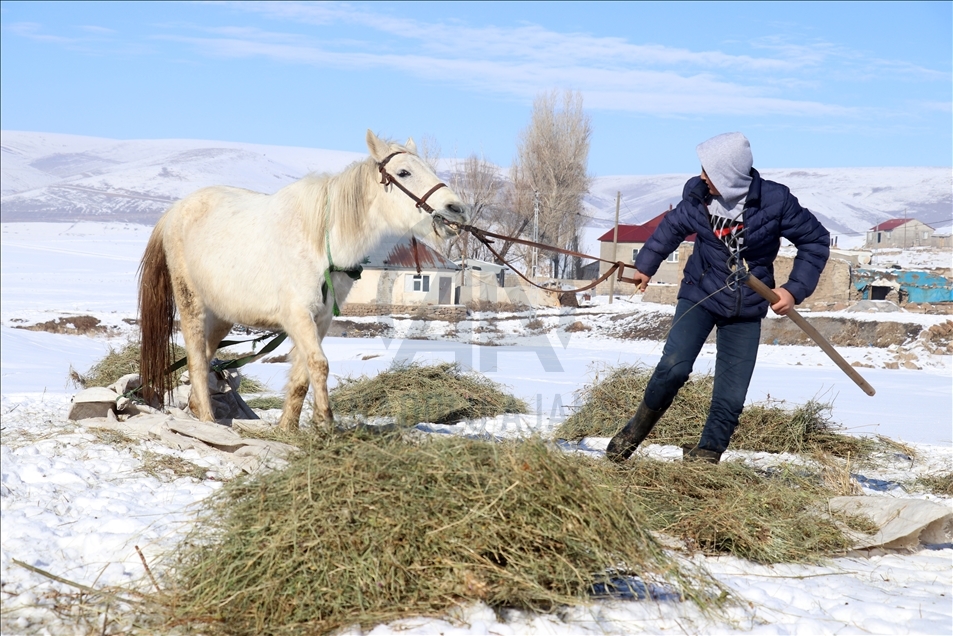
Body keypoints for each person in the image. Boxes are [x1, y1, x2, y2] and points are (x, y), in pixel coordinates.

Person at [606, 132, 830, 464]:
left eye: (708, 171)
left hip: (747, 305)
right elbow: (670, 229)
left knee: (731, 394)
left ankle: (705, 457)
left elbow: (815, 242)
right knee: (673, 368)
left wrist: (792, 290)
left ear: (727, 174)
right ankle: (633, 433)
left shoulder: (776, 201)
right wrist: (645, 266)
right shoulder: (697, 198)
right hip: (700, 292)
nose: (701, 177)